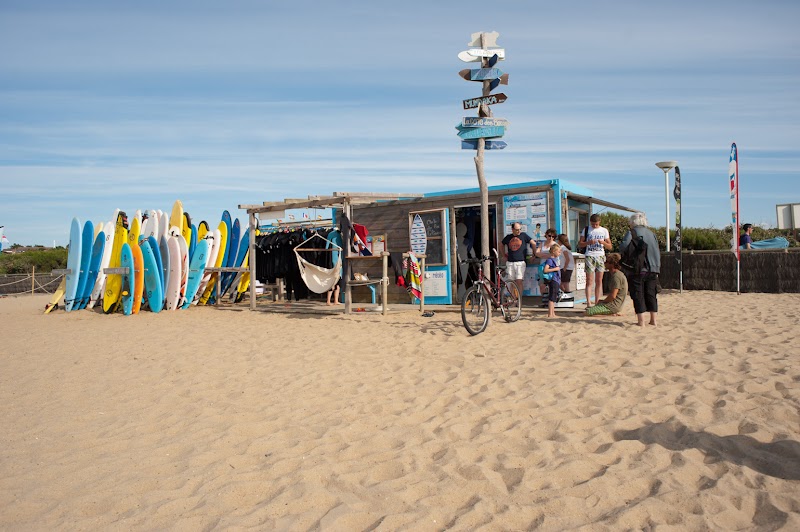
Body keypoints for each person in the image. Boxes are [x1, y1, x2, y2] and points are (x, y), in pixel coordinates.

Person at [620, 212, 661, 326]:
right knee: (651, 294)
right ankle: (653, 320)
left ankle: (641, 321)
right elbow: (657, 250)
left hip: (638, 268)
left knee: (638, 294)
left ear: (632, 222)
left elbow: (623, 247)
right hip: (653, 268)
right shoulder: (652, 234)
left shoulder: (631, 232)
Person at [578, 214, 612, 306]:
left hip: (600, 256)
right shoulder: (586, 229)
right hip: (589, 255)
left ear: (599, 222)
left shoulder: (604, 230)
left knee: (599, 280)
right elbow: (580, 243)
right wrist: (589, 242)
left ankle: (597, 301)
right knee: (589, 280)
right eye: (593, 224)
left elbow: (610, 246)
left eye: (596, 224)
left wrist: (603, 242)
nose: (594, 226)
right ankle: (589, 302)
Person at [501, 222, 533, 296]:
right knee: (511, 282)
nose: (519, 231)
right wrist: (503, 255)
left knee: (519, 281)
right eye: (517, 230)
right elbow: (501, 244)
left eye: (520, 229)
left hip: (520, 262)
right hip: (510, 262)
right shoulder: (508, 237)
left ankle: (519, 299)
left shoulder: (523, 235)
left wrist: (534, 255)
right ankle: (513, 298)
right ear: (512, 230)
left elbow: (533, 243)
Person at [534, 229, 558, 295]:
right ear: (546, 235)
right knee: (542, 284)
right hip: (542, 266)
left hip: (551, 266)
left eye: (553, 237)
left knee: (551, 284)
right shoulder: (542, 244)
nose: (551, 238)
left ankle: (550, 298)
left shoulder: (555, 245)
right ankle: (543, 298)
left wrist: (542, 255)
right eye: (549, 236)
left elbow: (555, 255)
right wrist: (548, 255)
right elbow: (537, 253)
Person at [543, 243, 562, 318]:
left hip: (556, 280)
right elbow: (545, 270)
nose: (560, 253)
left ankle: (553, 313)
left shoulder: (555, 260)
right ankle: (550, 314)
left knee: (553, 297)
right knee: (552, 297)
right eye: (558, 251)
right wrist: (555, 269)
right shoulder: (550, 260)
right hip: (553, 280)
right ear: (554, 252)